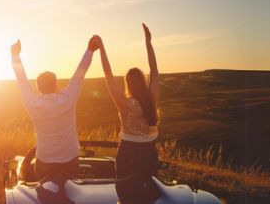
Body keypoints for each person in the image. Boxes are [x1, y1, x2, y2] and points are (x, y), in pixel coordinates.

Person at [10, 36, 100, 203]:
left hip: (44, 163)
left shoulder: (33, 104)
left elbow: (22, 82)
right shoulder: (68, 98)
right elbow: (79, 74)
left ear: (38, 87)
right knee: (72, 196)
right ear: (55, 84)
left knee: (45, 199)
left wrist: (15, 55)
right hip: (70, 162)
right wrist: (90, 50)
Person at [96, 23, 162, 204]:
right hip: (149, 151)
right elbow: (154, 70)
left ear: (128, 83)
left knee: (126, 195)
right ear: (143, 80)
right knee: (146, 193)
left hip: (128, 152)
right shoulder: (152, 98)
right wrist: (148, 43)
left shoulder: (124, 103)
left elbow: (108, 74)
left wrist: (101, 48)